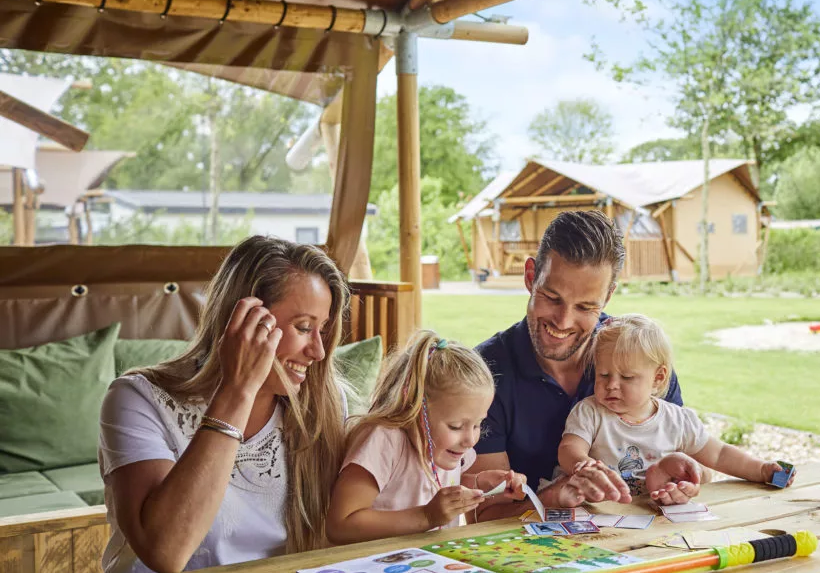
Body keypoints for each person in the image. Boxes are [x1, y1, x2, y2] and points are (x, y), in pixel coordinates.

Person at [93, 236, 351, 573]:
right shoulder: (137, 399)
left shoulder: (323, 404)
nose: (318, 351)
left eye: (323, 330)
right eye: (304, 327)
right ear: (244, 320)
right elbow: (166, 552)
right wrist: (238, 391)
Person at [469, 210, 702, 518]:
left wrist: (680, 482)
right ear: (530, 277)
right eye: (552, 298)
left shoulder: (638, 359)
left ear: (607, 297)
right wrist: (552, 497)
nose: (563, 322)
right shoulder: (485, 373)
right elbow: (481, 516)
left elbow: (690, 466)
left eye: (585, 307)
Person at [325, 331, 525, 543]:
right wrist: (426, 516)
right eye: (456, 426)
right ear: (415, 406)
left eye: (478, 424)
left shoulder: (444, 448)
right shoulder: (383, 441)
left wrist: (482, 485)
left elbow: (434, 486)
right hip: (371, 568)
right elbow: (340, 525)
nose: (471, 440)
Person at [558, 314, 789, 499]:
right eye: (604, 375)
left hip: (654, 515)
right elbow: (569, 448)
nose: (612, 386)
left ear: (658, 378)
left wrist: (760, 470)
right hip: (600, 513)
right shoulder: (590, 412)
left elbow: (718, 454)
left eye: (627, 377)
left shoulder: (677, 421)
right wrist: (583, 464)